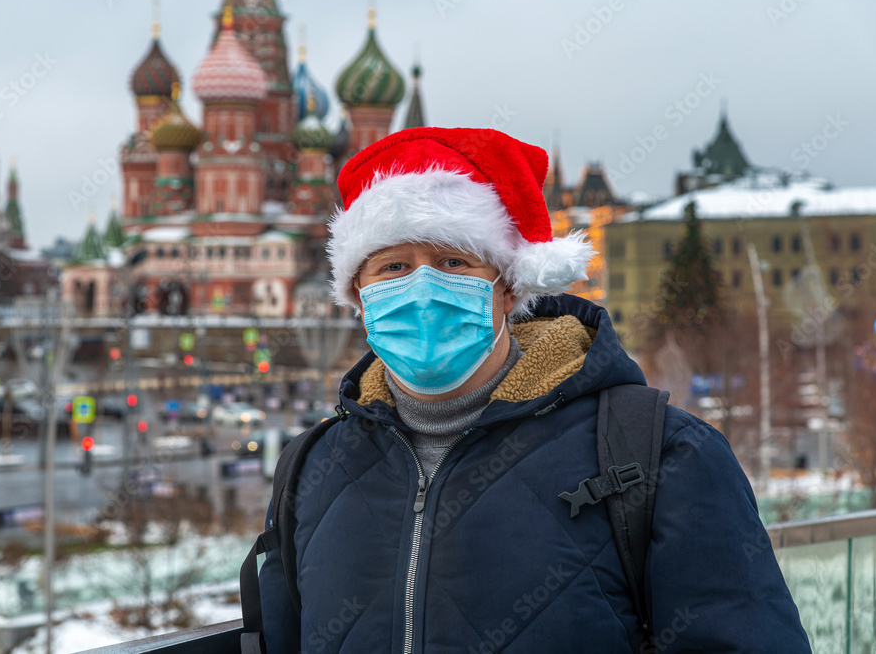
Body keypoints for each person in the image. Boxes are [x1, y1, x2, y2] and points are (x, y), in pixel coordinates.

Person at [255, 128, 809, 653]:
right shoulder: (313, 469)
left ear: (509, 286)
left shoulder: (662, 455)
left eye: (453, 262)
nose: (421, 288)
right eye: (393, 267)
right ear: (358, 293)